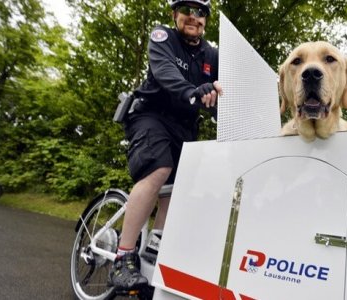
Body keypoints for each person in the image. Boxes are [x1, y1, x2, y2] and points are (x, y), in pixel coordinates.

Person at [108, 0, 222, 291]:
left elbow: (223, 90)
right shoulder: (163, 37)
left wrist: (223, 104)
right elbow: (164, 72)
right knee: (160, 170)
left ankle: (153, 250)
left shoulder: (212, 54)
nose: (192, 17)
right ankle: (123, 257)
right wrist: (193, 91)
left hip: (185, 126)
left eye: (199, 12)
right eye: (186, 10)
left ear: (206, 21)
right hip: (151, 115)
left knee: (179, 187)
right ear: (175, 15)